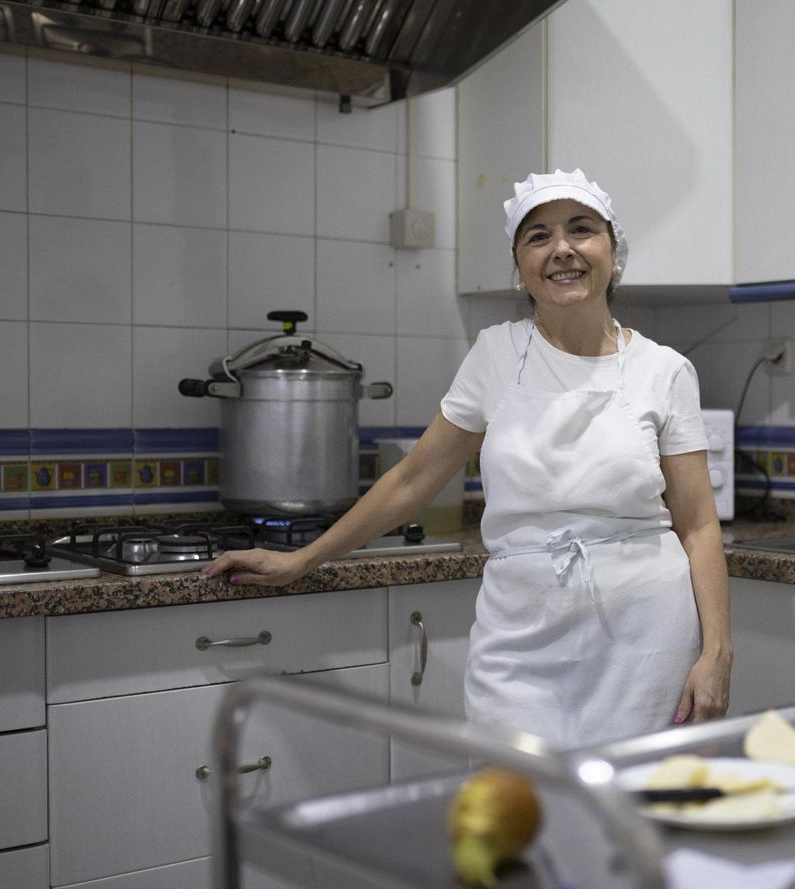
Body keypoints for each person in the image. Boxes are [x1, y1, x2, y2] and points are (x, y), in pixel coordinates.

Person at [201, 169, 731, 750]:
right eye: (538, 236)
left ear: (613, 251)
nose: (562, 250)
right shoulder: (495, 355)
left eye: (581, 230)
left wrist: (716, 652)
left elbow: (698, 524)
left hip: (646, 639)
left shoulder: (665, 371)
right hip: (521, 638)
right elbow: (412, 479)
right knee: (512, 817)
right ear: (520, 266)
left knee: (637, 819)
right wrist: (303, 559)